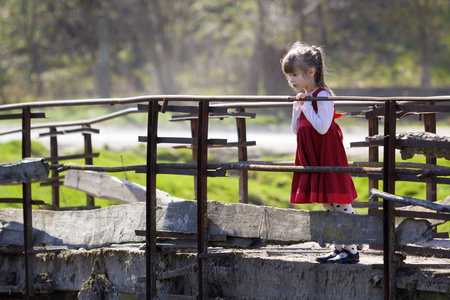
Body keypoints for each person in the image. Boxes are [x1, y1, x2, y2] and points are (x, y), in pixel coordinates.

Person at [281, 41, 359, 264]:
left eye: (295, 74)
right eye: (289, 76)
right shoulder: (306, 97)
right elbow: (298, 131)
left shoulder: (323, 96)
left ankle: (352, 250)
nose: (291, 80)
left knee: (340, 201)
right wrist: (297, 110)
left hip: (327, 154)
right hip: (313, 154)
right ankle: (339, 248)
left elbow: (323, 126)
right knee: (328, 204)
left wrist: (306, 105)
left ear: (311, 72)